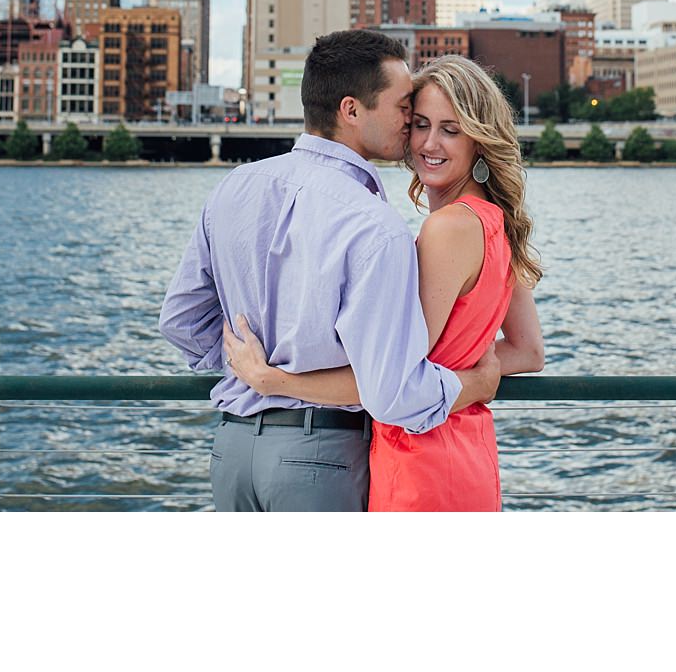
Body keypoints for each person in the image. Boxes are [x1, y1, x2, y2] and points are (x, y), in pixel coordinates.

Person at [159, 30, 502, 512]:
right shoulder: (376, 227)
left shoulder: (233, 188)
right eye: (404, 108)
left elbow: (180, 322)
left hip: (232, 452)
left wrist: (251, 368)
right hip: (322, 458)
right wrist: (473, 385)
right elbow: (392, 391)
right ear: (351, 110)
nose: (410, 124)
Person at [223, 54, 544, 511]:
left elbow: (395, 383)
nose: (430, 143)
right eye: (420, 124)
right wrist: (470, 374)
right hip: (468, 452)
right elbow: (528, 352)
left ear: (480, 139)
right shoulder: (497, 223)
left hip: (419, 461)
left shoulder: (447, 229)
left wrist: (273, 380)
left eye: (451, 129)